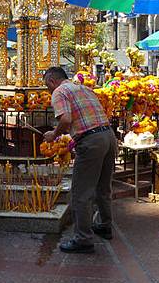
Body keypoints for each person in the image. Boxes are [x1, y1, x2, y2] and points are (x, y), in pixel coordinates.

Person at [43, 66, 117, 253]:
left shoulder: (59, 91)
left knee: (81, 193)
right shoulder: (83, 88)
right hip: (108, 136)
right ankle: (105, 225)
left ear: (52, 81)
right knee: (103, 187)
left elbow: (66, 120)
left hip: (91, 141)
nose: (48, 90)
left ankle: (83, 239)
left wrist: (54, 133)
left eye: (47, 86)